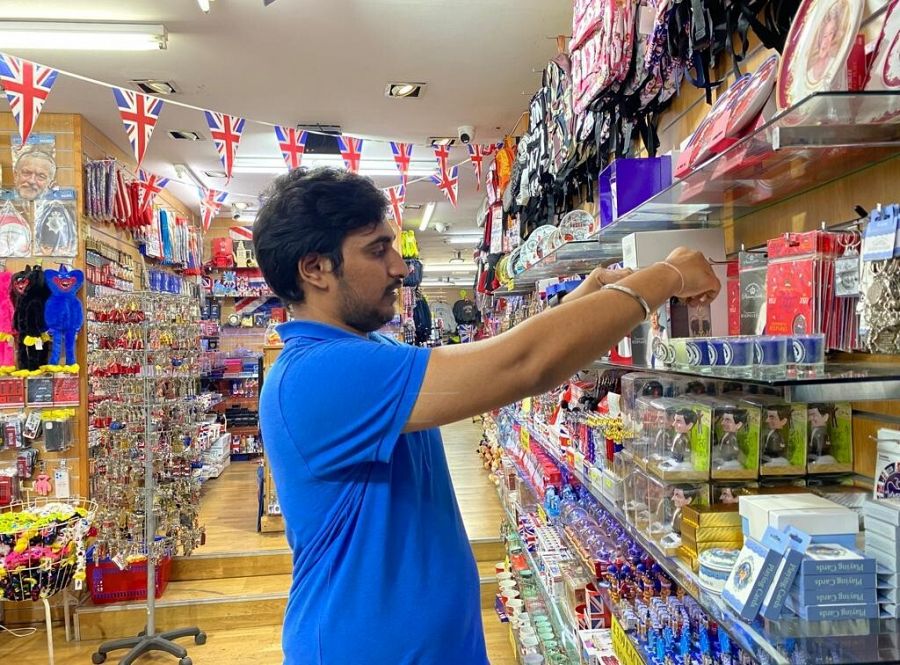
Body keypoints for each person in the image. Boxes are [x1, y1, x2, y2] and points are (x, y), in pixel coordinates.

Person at [252, 167, 719, 665]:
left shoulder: (365, 349)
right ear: (315, 268)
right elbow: (519, 365)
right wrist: (667, 275)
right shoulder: (323, 373)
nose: (399, 267)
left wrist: (589, 295)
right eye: (376, 249)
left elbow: (494, 358)